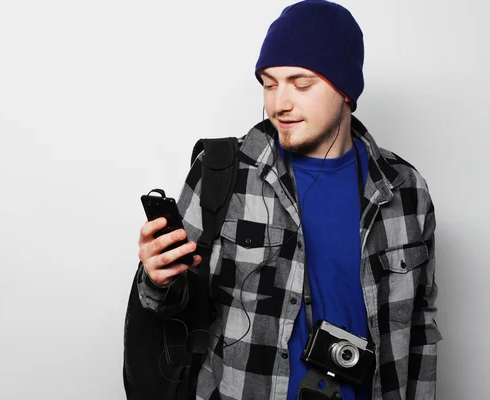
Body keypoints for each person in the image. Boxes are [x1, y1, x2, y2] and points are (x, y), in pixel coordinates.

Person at [135, 1, 441, 399]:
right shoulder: (221, 173)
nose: (280, 102)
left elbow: (420, 329)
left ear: (345, 90)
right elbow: (177, 307)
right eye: (269, 83)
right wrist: (157, 279)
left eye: (301, 83)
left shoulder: (406, 190)